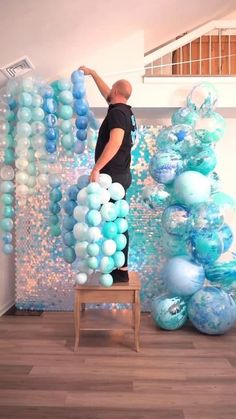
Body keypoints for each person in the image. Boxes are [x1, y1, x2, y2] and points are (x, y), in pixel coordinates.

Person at [79, 66, 137, 283]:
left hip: (113, 176)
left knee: (117, 219)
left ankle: (121, 271)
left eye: (111, 89)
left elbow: (115, 142)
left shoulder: (118, 114)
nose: (107, 92)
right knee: (115, 218)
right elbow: (108, 94)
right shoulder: (125, 110)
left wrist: (96, 168)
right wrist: (93, 73)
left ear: (116, 92)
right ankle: (119, 267)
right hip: (120, 174)